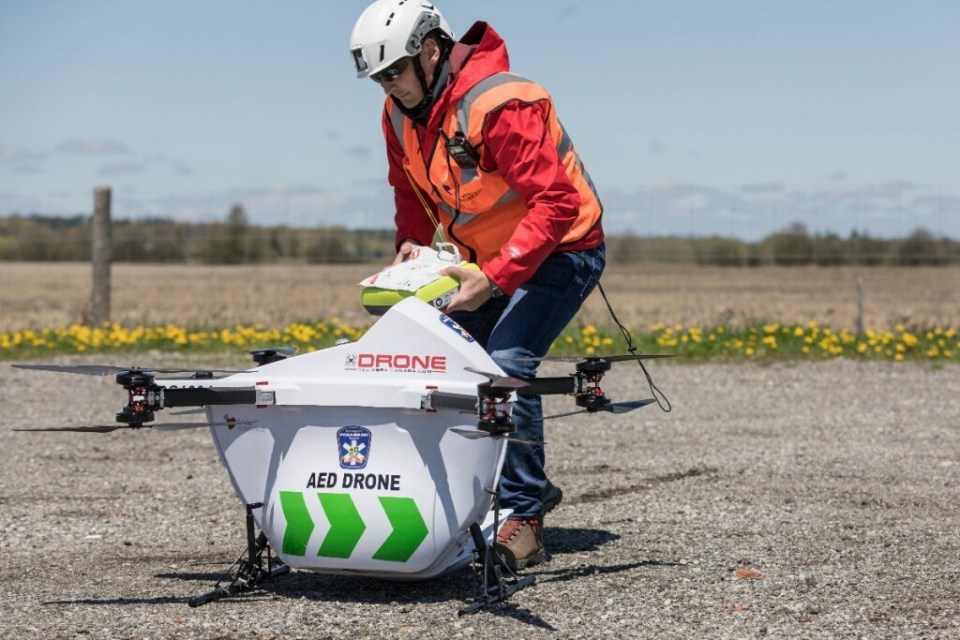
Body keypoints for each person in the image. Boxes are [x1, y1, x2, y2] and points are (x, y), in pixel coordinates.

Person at [350, 0, 605, 571]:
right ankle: (508, 484)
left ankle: (524, 518)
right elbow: (408, 191)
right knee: (439, 355)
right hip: (486, 262)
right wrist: (411, 244)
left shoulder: (500, 103)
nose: (388, 87)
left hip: (565, 250)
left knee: (504, 363)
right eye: (379, 78)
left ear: (430, 51)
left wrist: (495, 278)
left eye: (394, 72)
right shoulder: (397, 115)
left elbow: (557, 203)